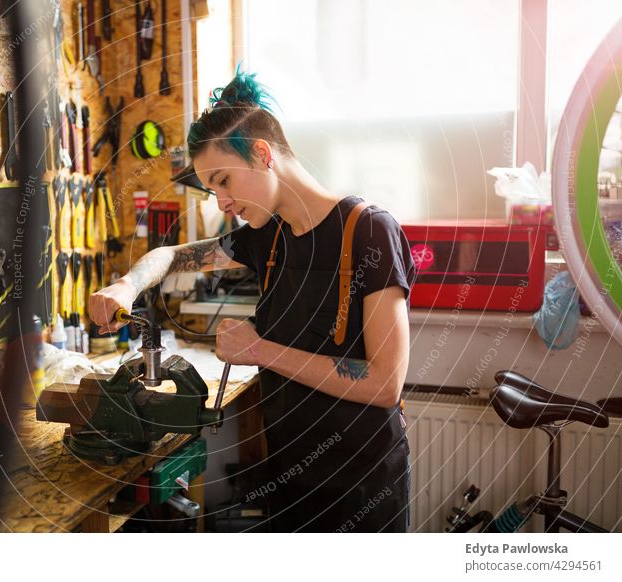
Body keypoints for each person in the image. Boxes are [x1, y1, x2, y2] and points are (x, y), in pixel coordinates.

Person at [89, 70, 415, 532]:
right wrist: (127, 285)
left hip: (361, 486)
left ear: (262, 155)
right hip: (289, 475)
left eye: (223, 180)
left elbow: (385, 383)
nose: (221, 202)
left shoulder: (367, 231)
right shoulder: (269, 235)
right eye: (212, 189)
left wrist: (259, 351)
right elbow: (171, 257)